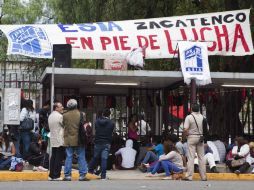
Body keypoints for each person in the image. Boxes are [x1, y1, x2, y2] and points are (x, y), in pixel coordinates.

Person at [63, 99, 89, 181]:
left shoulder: (64, 115)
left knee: (69, 157)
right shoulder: (81, 114)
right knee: (81, 156)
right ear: (76, 105)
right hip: (79, 139)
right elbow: (83, 125)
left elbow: (63, 125)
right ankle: (82, 175)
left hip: (68, 139)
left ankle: (67, 176)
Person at [183, 103, 207, 181]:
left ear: (191, 109)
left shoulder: (189, 117)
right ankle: (203, 177)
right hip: (200, 138)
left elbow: (185, 129)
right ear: (199, 109)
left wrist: (186, 136)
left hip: (191, 137)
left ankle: (189, 176)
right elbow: (207, 129)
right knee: (201, 157)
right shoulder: (203, 117)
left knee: (191, 157)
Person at [88, 108, 115, 180]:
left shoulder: (97, 122)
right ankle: (103, 176)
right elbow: (111, 132)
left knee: (95, 157)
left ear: (103, 114)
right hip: (106, 143)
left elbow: (96, 130)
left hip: (98, 142)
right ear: (109, 115)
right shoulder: (112, 123)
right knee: (104, 159)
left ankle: (89, 171)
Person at [48, 102, 65, 181]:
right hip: (59, 139)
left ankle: (51, 175)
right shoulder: (60, 116)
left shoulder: (50, 116)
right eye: (61, 106)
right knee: (58, 158)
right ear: (56, 108)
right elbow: (64, 126)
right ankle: (56, 175)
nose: (62, 107)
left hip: (53, 139)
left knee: (53, 157)